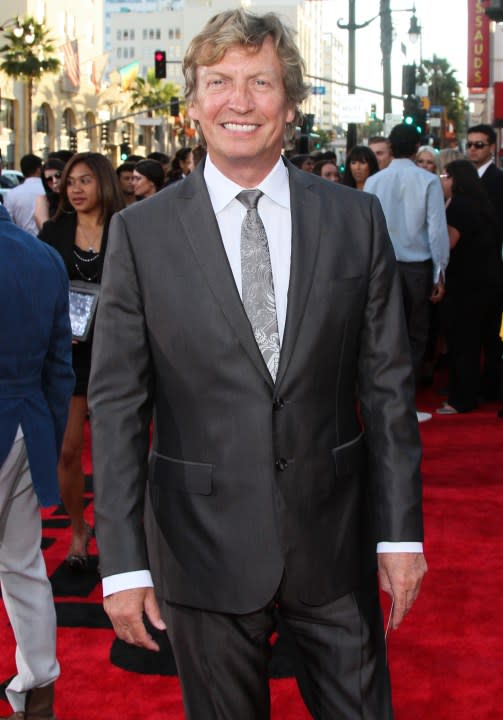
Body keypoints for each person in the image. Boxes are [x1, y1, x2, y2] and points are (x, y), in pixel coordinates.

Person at [89, 10, 426, 720]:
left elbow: (388, 389)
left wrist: (399, 535)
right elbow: (118, 408)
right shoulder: (139, 234)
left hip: (331, 543)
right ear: (192, 104)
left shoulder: (353, 219)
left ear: (289, 103)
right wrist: (122, 562)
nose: (238, 101)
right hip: (198, 545)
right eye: (218, 82)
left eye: (259, 82)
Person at [0, 204, 74, 720]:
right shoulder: (45, 257)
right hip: (29, 424)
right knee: (23, 564)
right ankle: (39, 684)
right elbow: (59, 366)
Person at [39, 152, 124, 569]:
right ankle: (77, 528)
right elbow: (39, 287)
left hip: (121, 352)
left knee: (124, 450)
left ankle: (125, 532)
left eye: (85, 180)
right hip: (70, 353)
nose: (74, 189)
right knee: (68, 451)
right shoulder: (54, 232)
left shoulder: (129, 228)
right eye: (69, 181)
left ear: (104, 183)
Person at [365, 124, 450, 423]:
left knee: (384, 335)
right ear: (416, 148)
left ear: (390, 145)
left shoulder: (374, 182)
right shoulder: (427, 181)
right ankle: (405, 403)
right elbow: (437, 230)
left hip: (381, 266)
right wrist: (440, 272)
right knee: (415, 335)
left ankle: (384, 401)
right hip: (417, 267)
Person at [436, 160, 497, 414]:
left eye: (445, 176)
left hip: (466, 287)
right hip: (487, 283)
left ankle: (461, 398)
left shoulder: (459, 207)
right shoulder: (482, 204)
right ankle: (481, 390)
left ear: (455, 179)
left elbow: (448, 244)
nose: (442, 181)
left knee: (464, 343)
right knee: (482, 342)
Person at [466, 124, 503, 403]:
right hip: (470, 266)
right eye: (470, 144)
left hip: (491, 265)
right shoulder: (465, 178)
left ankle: (491, 385)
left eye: (479, 145)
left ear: (491, 147)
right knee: (472, 330)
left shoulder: (498, 180)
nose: (473, 149)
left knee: (490, 332)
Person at [3, 154, 44, 236]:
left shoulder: (12, 194)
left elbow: (8, 221)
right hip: (47, 243)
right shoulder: (47, 190)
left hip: (22, 241)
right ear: (39, 170)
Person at [34, 158, 66, 230]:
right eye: (49, 179)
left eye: (58, 175)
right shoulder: (44, 200)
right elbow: (45, 229)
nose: (54, 181)